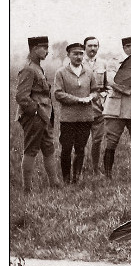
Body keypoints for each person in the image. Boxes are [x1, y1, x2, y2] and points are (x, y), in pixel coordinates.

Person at [16, 36, 62, 191]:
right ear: (34, 48)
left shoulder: (37, 67)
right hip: (35, 117)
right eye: (44, 48)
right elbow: (21, 96)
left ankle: (54, 183)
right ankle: (27, 189)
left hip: (44, 116)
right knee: (31, 150)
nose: (47, 52)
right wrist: (36, 111)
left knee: (49, 148)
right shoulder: (29, 68)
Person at [53, 42, 101, 183]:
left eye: (81, 53)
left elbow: (95, 90)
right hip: (68, 118)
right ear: (68, 55)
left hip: (86, 117)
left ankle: (76, 178)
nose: (79, 56)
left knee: (81, 148)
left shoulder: (89, 72)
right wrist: (78, 100)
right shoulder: (61, 72)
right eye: (75, 53)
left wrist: (91, 97)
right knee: (66, 149)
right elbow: (58, 93)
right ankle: (66, 179)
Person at [102, 36, 131, 178]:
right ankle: (108, 175)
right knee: (111, 141)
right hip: (116, 106)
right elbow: (112, 80)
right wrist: (129, 89)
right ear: (125, 47)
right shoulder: (113, 62)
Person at [82, 36, 108, 173]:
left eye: (95, 46)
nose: (92, 49)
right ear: (84, 47)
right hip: (82, 107)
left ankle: (95, 168)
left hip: (99, 107)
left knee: (97, 140)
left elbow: (107, 85)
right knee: (81, 141)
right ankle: (79, 168)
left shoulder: (103, 64)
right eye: (90, 46)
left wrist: (103, 98)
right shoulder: (78, 62)